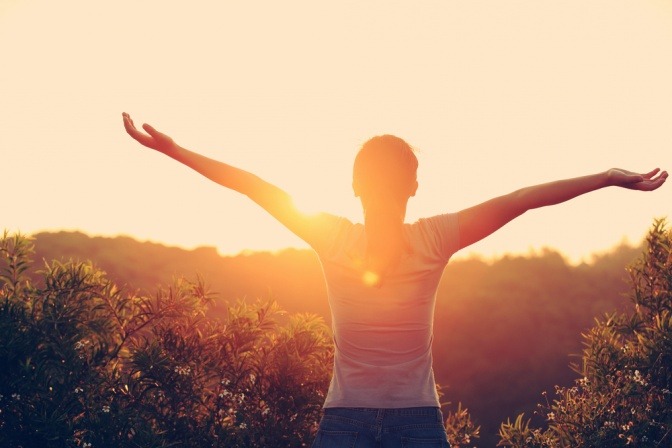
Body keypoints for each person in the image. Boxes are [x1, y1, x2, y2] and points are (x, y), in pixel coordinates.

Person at [122, 112, 667, 447]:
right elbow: (524, 199)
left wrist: (175, 151)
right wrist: (607, 178)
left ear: (355, 187)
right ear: (414, 187)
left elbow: (251, 185)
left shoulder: (334, 236)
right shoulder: (435, 237)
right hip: (415, 424)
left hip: (348, 424)